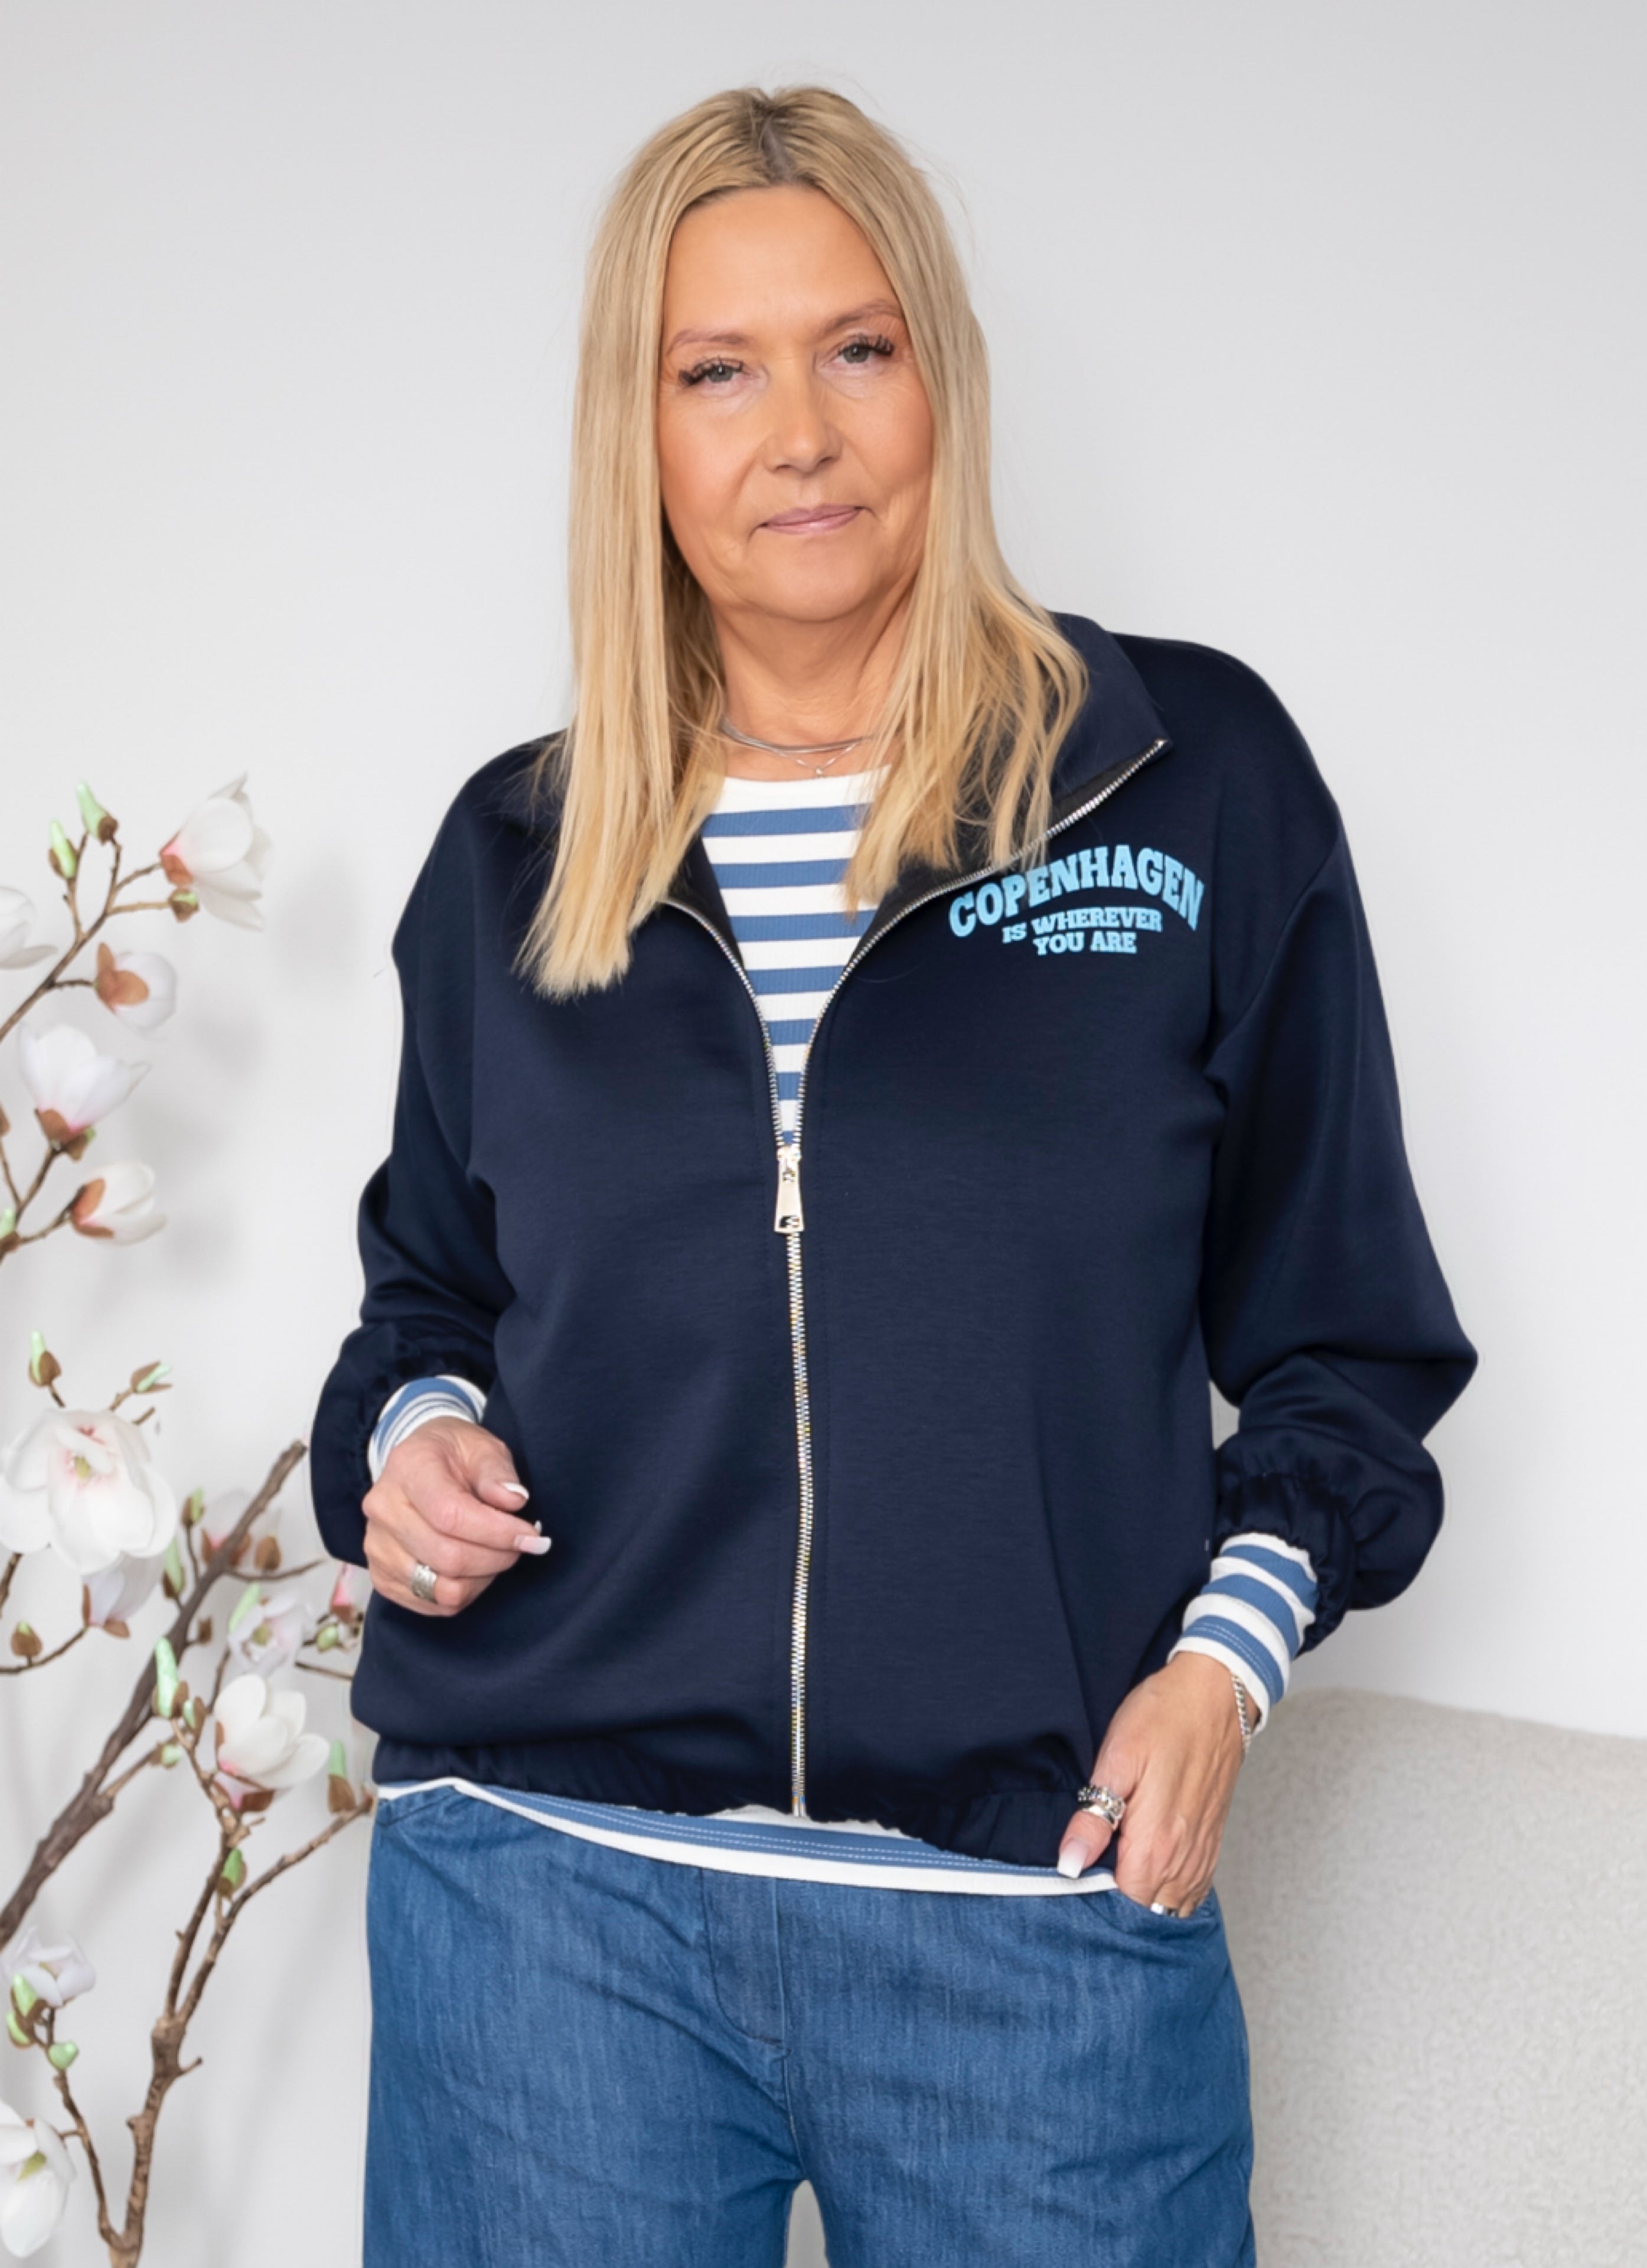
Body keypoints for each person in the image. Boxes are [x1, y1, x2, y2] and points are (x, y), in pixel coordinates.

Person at [309, 83, 1476, 2268]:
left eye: (860, 347)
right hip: (547, 1908)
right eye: (718, 371)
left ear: (945, 377)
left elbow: (1346, 1339)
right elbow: (427, 1301)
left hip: (1034, 1913)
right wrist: (415, 1442)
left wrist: (1221, 1670)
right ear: (639, 432)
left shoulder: (1182, 781)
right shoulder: (517, 854)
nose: (802, 434)